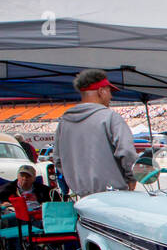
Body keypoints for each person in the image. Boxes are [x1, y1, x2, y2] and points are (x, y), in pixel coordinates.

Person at [51, 69, 137, 197]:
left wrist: (77, 183)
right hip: (113, 196)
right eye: (109, 91)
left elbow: (58, 160)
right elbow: (127, 152)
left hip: (83, 197)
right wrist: (131, 179)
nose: (111, 96)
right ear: (101, 91)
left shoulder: (64, 122)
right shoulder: (110, 117)